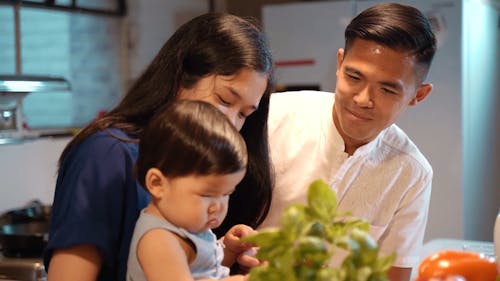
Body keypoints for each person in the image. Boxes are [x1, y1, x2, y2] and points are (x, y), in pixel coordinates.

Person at [44, 13, 274, 281]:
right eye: (224, 99)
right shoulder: (108, 154)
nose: (231, 123)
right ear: (180, 79)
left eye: (244, 114)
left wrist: (223, 252)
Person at [260, 3, 436, 281]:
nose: (363, 99)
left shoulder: (411, 172)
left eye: (388, 89)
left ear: (418, 95)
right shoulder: (270, 118)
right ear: (340, 64)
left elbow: (394, 275)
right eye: (354, 77)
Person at [127, 100, 257, 281]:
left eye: (227, 194)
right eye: (207, 195)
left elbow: (205, 269)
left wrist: (229, 248)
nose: (217, 207)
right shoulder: (158, 241)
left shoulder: (188, 224)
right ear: (157, 184)